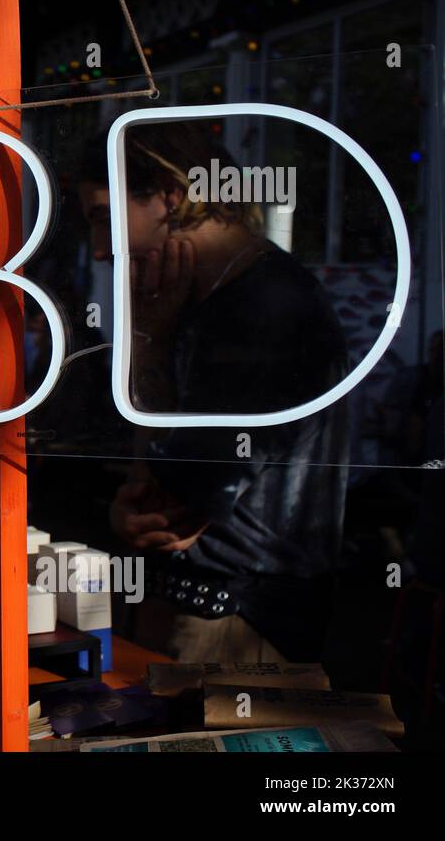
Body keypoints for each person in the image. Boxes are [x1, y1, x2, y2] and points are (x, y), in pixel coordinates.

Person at [85, 121, 351, 662]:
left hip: (235, 617)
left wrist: (150, 345)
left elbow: (175, 503)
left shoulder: (263, 308)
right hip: (205, 603)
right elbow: (152, 480)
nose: (97, 249)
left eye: (102, 218)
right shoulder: (206, 296)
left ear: (169, 197)